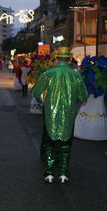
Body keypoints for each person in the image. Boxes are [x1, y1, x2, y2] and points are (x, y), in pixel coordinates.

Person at [33, 47, 88, 184]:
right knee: (65, 143)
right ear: (69, 59)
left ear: (56, 59)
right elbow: (83, 95)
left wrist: (44, 100)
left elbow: (37, 93)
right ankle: (63, 173)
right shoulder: (76, 75)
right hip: (68, 113)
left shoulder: (47, 74)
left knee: (50, 142)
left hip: (50, 113)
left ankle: (49, 173)